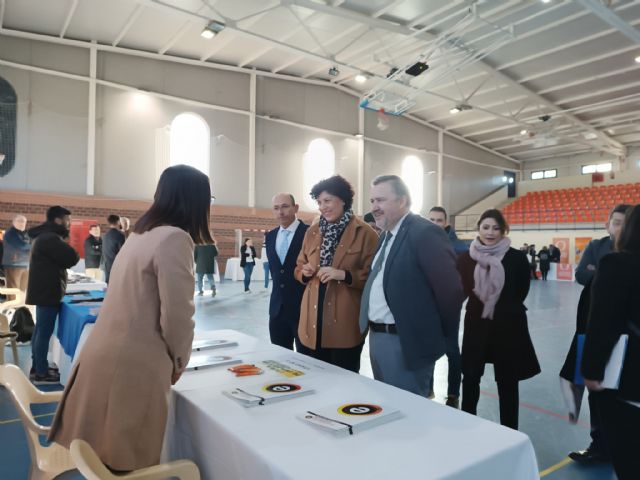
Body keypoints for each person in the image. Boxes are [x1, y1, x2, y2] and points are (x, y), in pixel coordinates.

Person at [49, 164, 212, 472]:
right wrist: (179, 361)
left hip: (103, 354)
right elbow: (177, 315)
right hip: (133, 366)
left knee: (101, 456)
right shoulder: (175, 238)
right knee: (126, 460)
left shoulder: (139, 234)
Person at [359, 175, 463, 395]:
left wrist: (434, 336)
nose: (374, 207)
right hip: (379, 338)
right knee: (387, 406)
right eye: (372, 201)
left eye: (381, 200)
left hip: (406, 342)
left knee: (408, 410)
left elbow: (450, 292)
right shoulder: (386, 236)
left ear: (402, 201)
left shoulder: (424, 232)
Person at [457, 209, 540, 430]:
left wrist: (501, 307)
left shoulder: (517, 258)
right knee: (471, 377)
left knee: (508, 381)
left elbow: (521, 290)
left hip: (508, 327)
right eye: (485, 227)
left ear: (504, 230)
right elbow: (462, 289)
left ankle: (510, 431)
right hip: (476, 325)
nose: (490, 232)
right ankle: (467, 426)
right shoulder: (465, 259)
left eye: (496, 228)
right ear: (478, 229)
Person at [568, 203, 631, 463]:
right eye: (616, 222)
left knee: (625, 391)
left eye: (626, 223)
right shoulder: (597, 246)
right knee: (597, 391)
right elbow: (582, 275)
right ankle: (599, 444)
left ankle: (624, 445)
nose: (620, 228)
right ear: (607, 225)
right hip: (594, 325)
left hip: (628, 332)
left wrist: (602, 273)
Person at [295, 175, 377, 372]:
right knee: (313, 378)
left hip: (344, 324)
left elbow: (373, 277)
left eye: (328, 201)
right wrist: (304, 272)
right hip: (312, 322)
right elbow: (299, 266)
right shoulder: (312, 232)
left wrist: (344, 275)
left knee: (343, 379)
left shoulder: (366, 234)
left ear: (343, 200)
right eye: (319, 202)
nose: (323, 207)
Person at [582, 205, 640, 480]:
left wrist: (591, 370)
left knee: (629, 458)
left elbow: (602, 323)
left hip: (628, 376)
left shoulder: (617, 264)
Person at [26, 206, 79, 384]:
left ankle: (38, 366)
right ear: (57, 220)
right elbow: (72, 258)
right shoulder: (50, 238)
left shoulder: (45, 236)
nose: (69, 224)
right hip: (47, 291)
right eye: (67, 220)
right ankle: (41, 373)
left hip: (44, 290)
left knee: (40, 331)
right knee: (43, 332)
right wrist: (66, 241)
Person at [427, 206, 464, 408]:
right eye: (431, 220)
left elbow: (465, 279)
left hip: (449, 308)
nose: (435, 224)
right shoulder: (421, 243)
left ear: (446, 223)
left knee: (451, 351)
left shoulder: (458, 247)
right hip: (427, 307)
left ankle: (453, 394)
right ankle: (428, 389)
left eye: (439, 220)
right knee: (428, 349)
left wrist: (454, 299)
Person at [265, 193, 309, 350]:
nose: (280, 212)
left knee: (307, 358)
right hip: (277, 310)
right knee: (279, 357)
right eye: (276, 208)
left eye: (285, 206)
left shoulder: (310, 234)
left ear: (295, 208)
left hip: (303, 309)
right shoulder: (270, 236)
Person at [2, 214, 31, 299]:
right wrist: (34, 246)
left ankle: (20, 306)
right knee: (13, 290)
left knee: (22, 290)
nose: (22, 223)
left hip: (26, 265)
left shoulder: (26, 234)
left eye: (23, 221)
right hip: (13, 265)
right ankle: (12, 306)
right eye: (19, 221)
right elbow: (21, 245)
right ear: (13, 222)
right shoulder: (10, 233)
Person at [102, 214, 125, 283]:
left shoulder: (105, 235)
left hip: (107, 264)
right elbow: (122, 252)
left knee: (108, 283)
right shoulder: (119, 235)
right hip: (116, 265)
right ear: (118, 222)